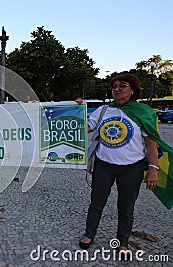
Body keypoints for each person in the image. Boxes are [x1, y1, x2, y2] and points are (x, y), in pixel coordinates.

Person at [79, 74, 159, 254]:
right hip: (104, 165)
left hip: (132, 168)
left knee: (126, 207)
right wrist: (74, 110)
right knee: (96, 203)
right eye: (114, 86)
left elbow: (151, 143)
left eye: (123, 86)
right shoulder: (103, 111)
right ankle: (89, 234)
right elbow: (85, 128)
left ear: (133, 90)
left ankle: (123, 241)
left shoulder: (143, 112)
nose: (117, 89)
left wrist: (153, 169)